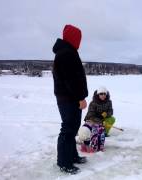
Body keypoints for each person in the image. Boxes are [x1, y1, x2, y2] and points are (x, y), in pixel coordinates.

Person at [52, 24, 88, 174]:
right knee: (68, 129)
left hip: (69, 97)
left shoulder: (67, 51)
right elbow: (71, 80)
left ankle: (72, 156)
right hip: (69, 98)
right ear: (73, 39)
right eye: (78, 39)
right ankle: (64, 162)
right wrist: (80, 98)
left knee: (72, 128)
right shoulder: (66, 53)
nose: (80, 42)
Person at [80, 87, 115, 152]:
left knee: (111, 119)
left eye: (104, 94)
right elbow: (90, 115)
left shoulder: (109, 102)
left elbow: (111, 111)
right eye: (101, 94)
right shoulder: (93, 103)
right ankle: (85, 142)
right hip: (92, 119)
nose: (103, 95)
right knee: (87, 130)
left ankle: (104, 134)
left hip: (102, 119)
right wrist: (99, 120)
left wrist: (106, 114)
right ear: (98, 95)